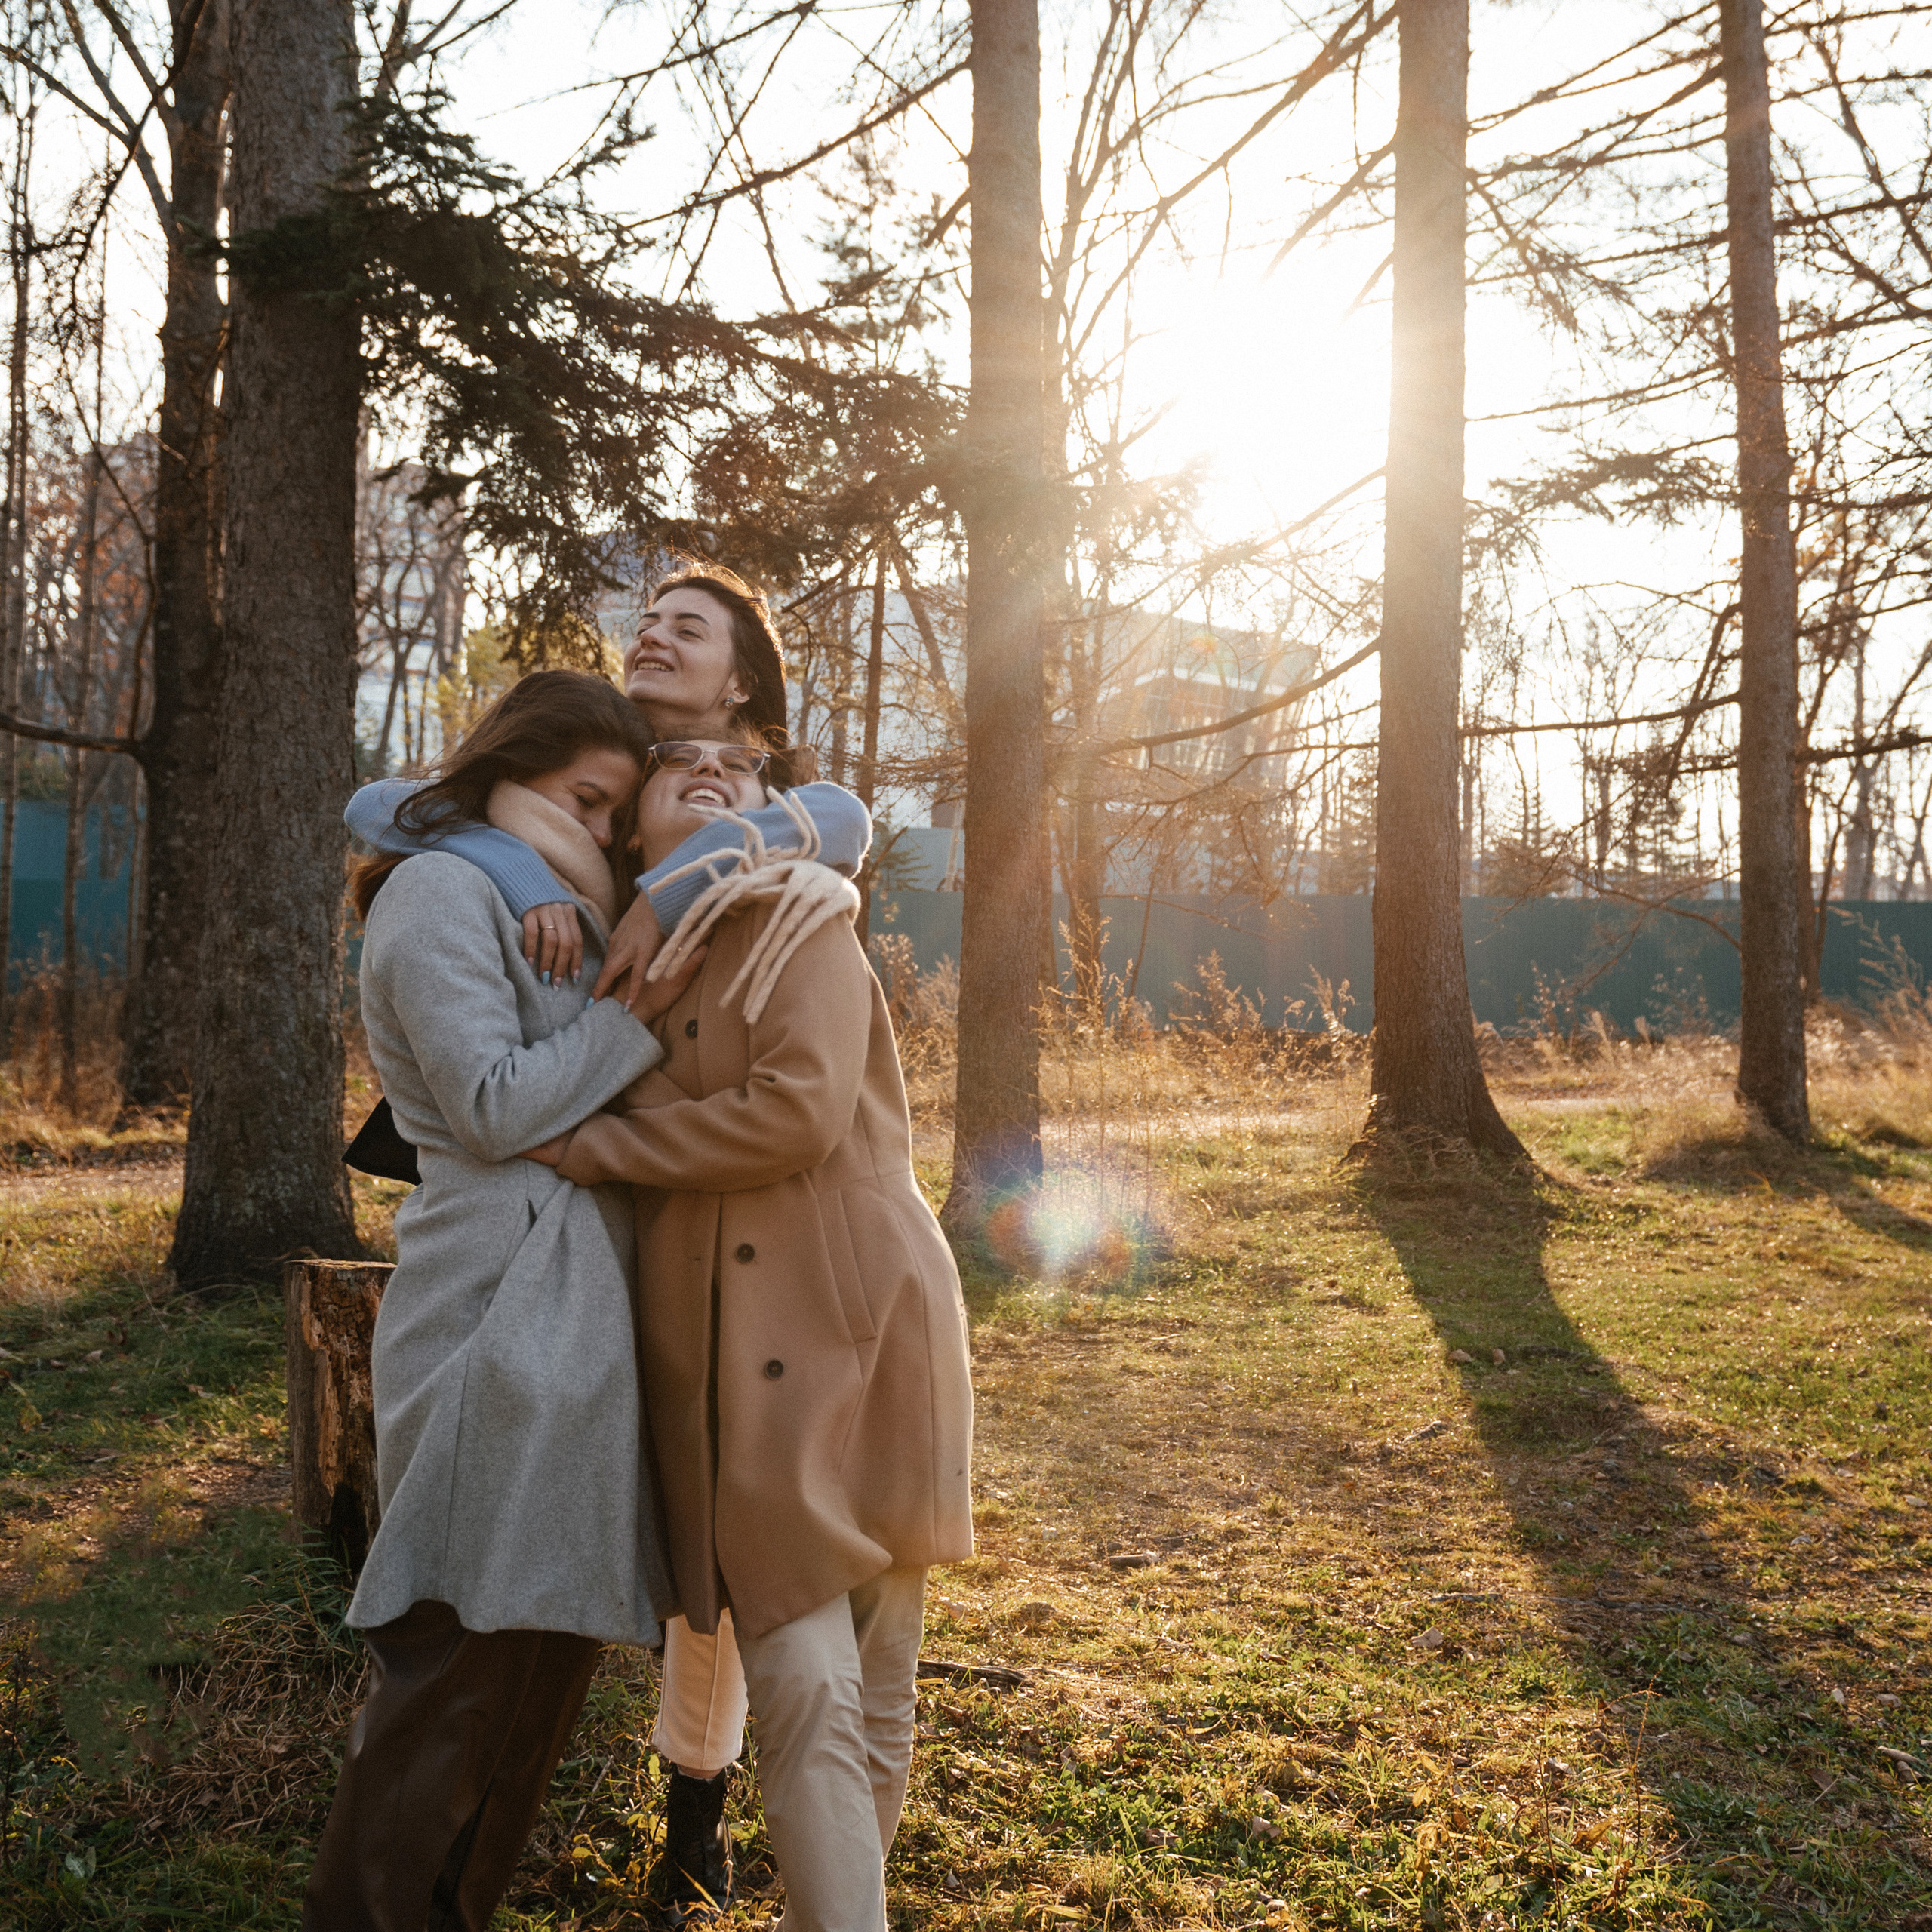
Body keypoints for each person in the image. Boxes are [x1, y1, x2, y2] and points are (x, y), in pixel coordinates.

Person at [340, 565, 874, 1921]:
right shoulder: (513, 858)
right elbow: (390, 811)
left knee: (576, 1646)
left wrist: (669, 882)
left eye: (691, 628)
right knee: (470, 1661)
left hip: (684, 1273)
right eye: (649, 620)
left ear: (742, 682)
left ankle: (692, 1811)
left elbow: (845, 819)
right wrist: (526, 863)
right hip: (540, 1287)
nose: (657, 637)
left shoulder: (733, 813)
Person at [524, 727, 975, 1932]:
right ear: (630, 827)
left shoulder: (797, 910)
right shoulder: (606, 955)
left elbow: (800, 1109)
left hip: (866, 1320)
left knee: (878, 1676)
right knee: (808, 1678)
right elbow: (415, 817)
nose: (711, 769)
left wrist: (607, 1141)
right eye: (674, 763)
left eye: (738, 766)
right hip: (736, 1363)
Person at [305, 671, 701, 1932]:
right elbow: (486, 1105)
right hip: (493, 1304)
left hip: (579, 1319)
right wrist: (629, 1018)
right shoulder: (438, 892)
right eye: (584, 800)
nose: (601, 833)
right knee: (450, 1671)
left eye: (614, 815)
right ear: (507, 773)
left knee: (534, 1682)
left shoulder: (568, 908)